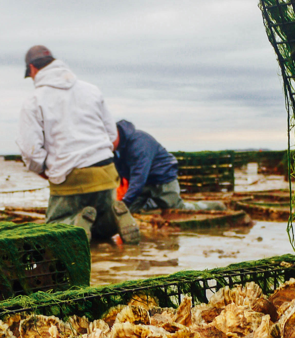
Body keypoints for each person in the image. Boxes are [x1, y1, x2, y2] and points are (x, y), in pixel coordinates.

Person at [17, 45, 140, 244]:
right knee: (101, 231)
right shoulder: (91, 90)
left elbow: (30, 152)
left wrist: (45, 171)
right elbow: (113, 137)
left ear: (32, 69)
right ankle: (113, 220)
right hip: (106, 173)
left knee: (54, 232)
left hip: (69, 177)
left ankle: (74, 224)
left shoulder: (34, 100)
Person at [113, 120, 227, 213]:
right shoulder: (115, 150)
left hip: (162, 179)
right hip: (145, 185)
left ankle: (215, 206)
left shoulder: (139, 142)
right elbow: (122, 175)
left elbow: (139, 176)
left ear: (115, 134)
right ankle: (155, 203)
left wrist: (125, 202)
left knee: (178, 210)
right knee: (130, 211)